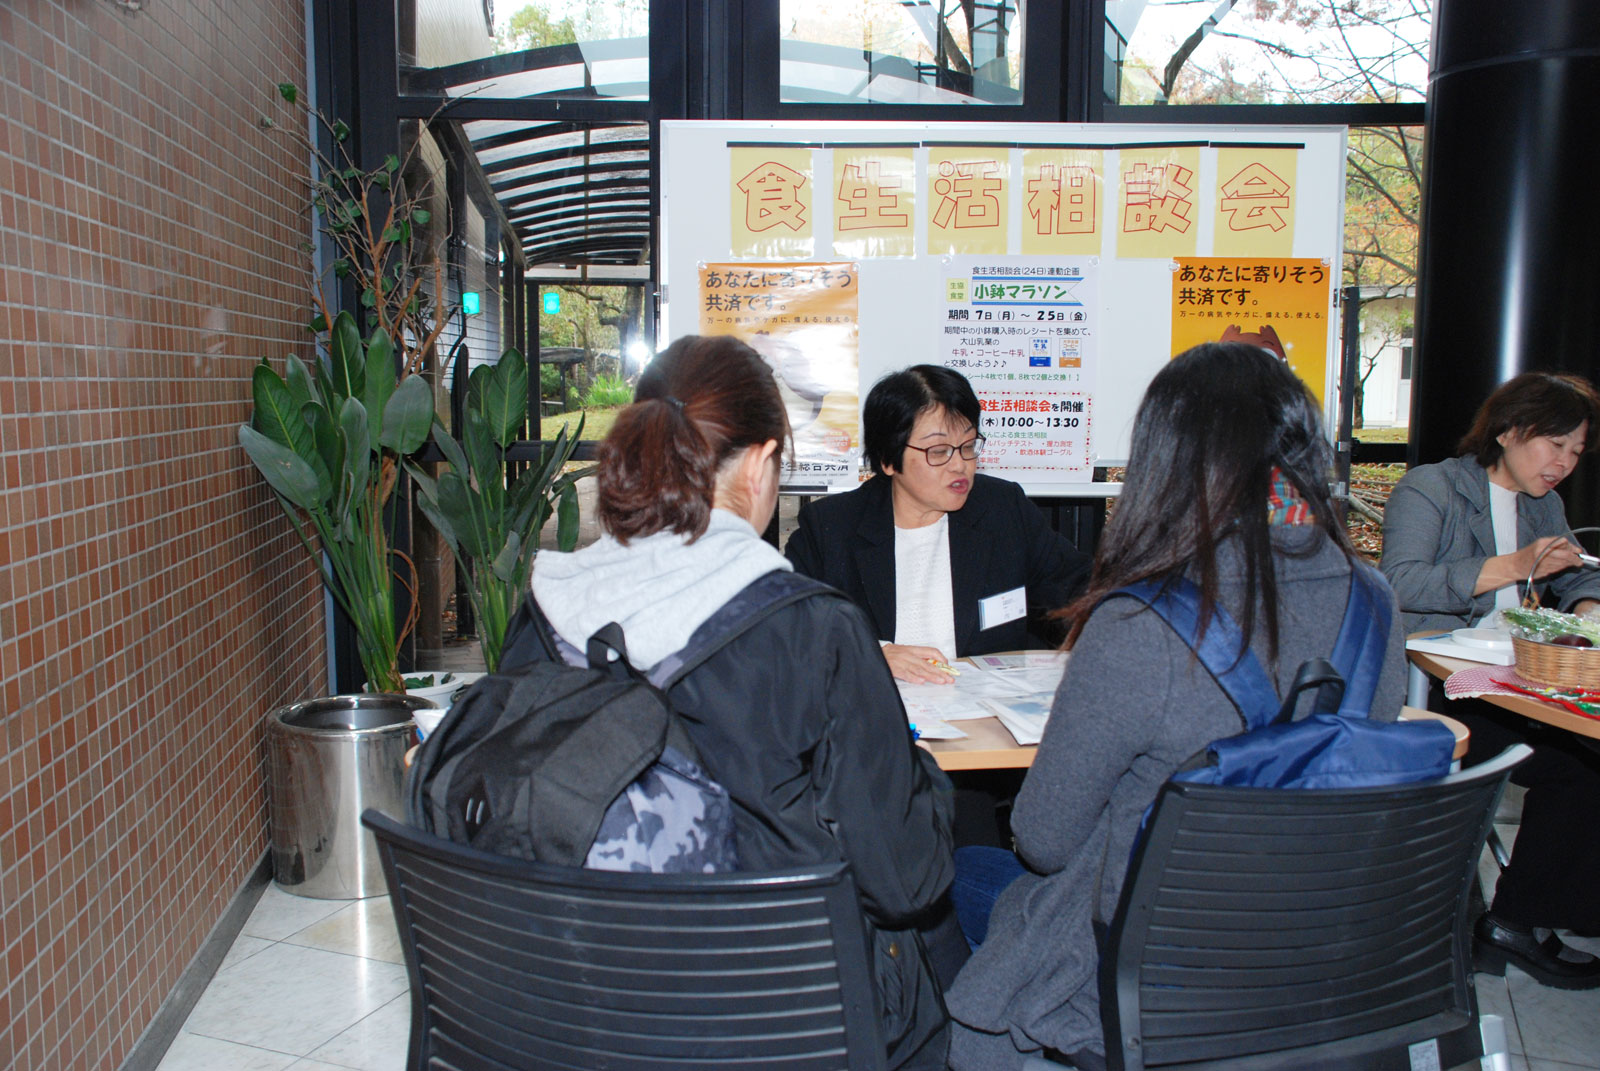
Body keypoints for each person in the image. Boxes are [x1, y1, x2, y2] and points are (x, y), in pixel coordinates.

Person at [942, 342, 1410, 1070]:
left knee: (964, 870)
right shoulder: (1375, 601)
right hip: (1320, 947)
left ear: (1166, 458)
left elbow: (1043, 840)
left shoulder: (1142, 621)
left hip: (1149, 967)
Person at [527, 335, 960, 1068]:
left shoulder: (546, 607)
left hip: (583, 1007)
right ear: (760, 466)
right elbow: (905, 878)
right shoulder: (812, 629)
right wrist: (920, 775)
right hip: (780, 1021)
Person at [1381, 371, 1600, 988]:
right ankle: (1514, 923)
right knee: (1576, 766)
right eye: (1554, 444)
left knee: (1588, 758)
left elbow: (1580, 572)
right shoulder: (1432, 487)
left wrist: (1586, 608)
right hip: (1433, 687)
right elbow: (1398, 582)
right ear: (1508, 431)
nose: (1564, 463)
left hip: (1508, 683)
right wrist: (1513, 566)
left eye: (1577, 451)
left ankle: (1550, 911)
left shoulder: (1543, 504)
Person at [785, 364, 1091, 685]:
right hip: (880, 705)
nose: (960, 465)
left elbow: (1079, 591)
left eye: (968, 447)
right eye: (939, 451)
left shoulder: (1003, 509)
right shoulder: (831, 528)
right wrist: (869, 653)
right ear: (889, 460)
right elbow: (790, 628)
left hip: (985, 706)